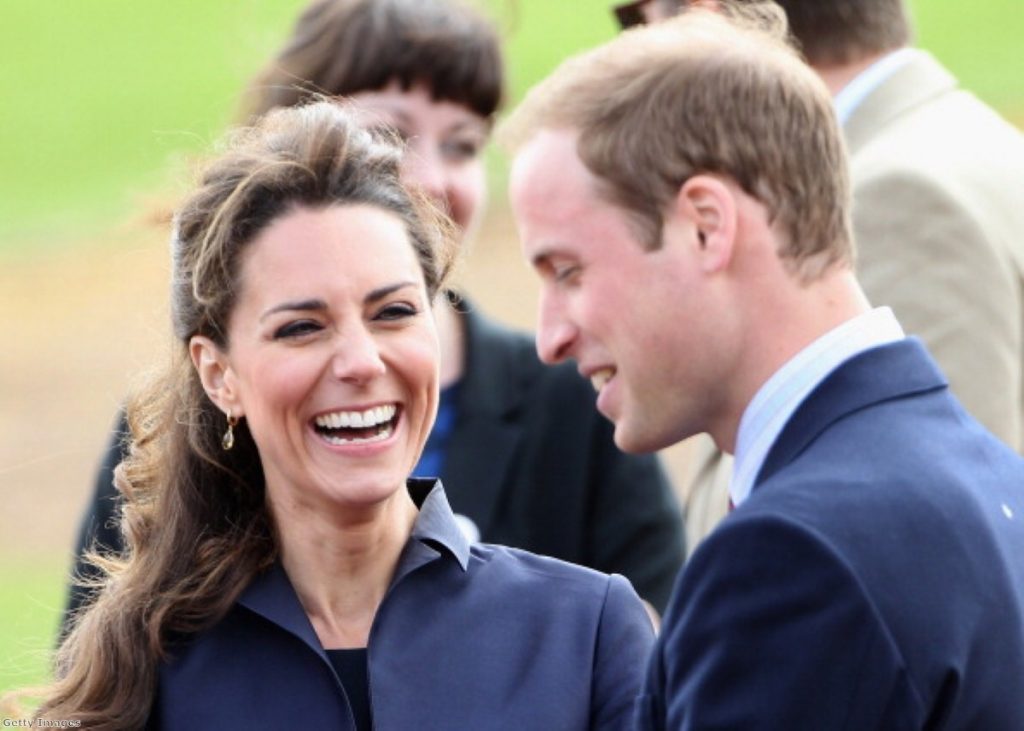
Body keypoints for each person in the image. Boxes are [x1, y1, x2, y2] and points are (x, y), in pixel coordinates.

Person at [17, 100, 655, 729]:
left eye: (395, 312)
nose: (361, 362)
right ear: (219, 375)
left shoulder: (588, 632)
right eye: (302, 327)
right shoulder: (144, 664)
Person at [65, 0, 684, 631]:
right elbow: (85, 681)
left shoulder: (576, 400)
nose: (435, 179)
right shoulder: (182, 417)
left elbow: (659, 652)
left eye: (464, 145)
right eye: (390, 137)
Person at [502, 3, 1024, 728]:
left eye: (568, 271)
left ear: (706, 226)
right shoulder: (989, 475)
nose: (549, 337)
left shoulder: (792, 558)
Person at [613, 0, 1024, 551]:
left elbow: (930, 544)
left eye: (638, 23)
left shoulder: (892, 196)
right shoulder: (959, 144)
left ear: (706, 19)